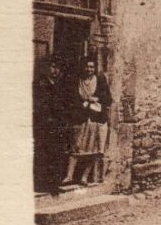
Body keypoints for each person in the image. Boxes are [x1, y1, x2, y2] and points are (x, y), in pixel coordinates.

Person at [63, 57, 113, 187]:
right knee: (76, 147)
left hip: (96, 119)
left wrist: (96, 99)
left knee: (94, 149)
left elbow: (108, 99)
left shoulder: (100, 81)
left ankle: (84, 177)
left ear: (94, 68)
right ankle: (69, 176)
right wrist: (84, 103)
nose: (89, 69)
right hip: (81, 118)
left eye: (91, 67)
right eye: (87, 67)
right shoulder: (77, 81)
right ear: (83, 67)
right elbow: (71, 99)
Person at [33, 58, 67, 192]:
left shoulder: (58, 84)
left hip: (56, 125)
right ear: (46, 68)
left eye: (57, 67)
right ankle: (41, 184)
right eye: (52, 67)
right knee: (43, 153)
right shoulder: (40, 84)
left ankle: (53, 184)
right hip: (44, 125)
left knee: (56, 153)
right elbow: (40, 105)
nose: (55, 70)